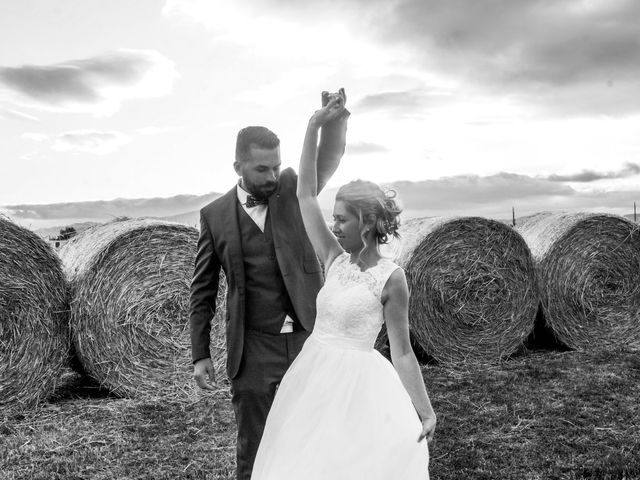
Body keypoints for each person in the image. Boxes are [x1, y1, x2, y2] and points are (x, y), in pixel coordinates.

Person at [250, 96, 437, 479]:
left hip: (358, 386)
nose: (333, 226)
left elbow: (402, 352)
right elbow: (304, 195)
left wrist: (425, 408)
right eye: (333, 218)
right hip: (311, 373)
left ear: (366, 223)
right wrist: (314, 125)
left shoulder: (391, 279)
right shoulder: (334, 259)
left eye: (341, 219)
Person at [189, 89, 349, 480]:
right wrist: (200, 353)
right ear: (238, 166)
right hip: (253, 349)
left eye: (276, 166)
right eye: (262, 169)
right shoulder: (214, 216)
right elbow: (203, 290)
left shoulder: (295, 190)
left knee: (315, 439)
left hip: (309, 339)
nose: (272, 176)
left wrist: (336, 119)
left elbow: (328, 158)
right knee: (255, 451)